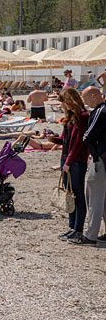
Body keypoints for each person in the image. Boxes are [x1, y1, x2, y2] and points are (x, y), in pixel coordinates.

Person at [49, 88, 89, 242]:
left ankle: (78, 229)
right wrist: (54, 140)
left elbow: (78, 143)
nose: (63, 105)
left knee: (77, 196)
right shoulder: (72, 116)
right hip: (67, 159)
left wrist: (68, 162)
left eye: (64, 102)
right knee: (69, 195)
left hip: (75, 161)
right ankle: (72, 227)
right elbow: (67, 140)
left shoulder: (82, 116)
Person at [71, 87, 106, 245]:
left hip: (100, 160)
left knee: (94, 198)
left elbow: (88, 135)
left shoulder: (100, 110)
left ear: (94, 96)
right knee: (103, 199)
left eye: (86, 99)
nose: (84, 103)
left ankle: (90, 235)